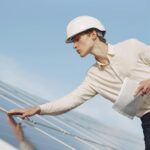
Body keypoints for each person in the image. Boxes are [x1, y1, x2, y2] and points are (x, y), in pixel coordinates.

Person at [7, 16, 150, 149]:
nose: (74, 46)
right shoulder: (93, 77)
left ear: (93, 34)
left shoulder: (131, 46)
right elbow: (71, 100)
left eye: (76, 39)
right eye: (72, 42)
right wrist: (38, 109)